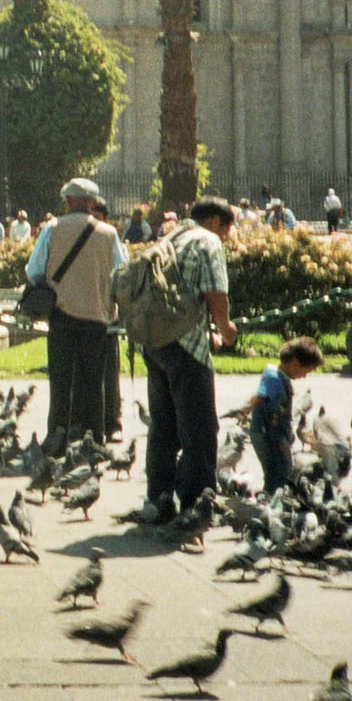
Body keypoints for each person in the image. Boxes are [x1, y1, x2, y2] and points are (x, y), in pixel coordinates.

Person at [140, 197, 239, 538]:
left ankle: (159, 497)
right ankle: (198, 503)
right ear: (214, 222)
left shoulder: (170, 237)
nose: (225, 238)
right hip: (186, 347)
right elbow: (215, 292)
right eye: (226, 230)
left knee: (163, 425)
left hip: (153, 342)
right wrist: (226, 330)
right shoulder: (207, 241)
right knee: (199, 427)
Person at [25, 179, 128, 452]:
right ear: (92, 203)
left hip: (62, 313)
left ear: (68, 201)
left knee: (61, 379)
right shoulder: (109, 234)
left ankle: (57, 435)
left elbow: (34, 270)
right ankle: (95, 438)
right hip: (97, 316)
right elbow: (122, 271)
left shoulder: (52, 229)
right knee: (95, 381)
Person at [241, 336, 323, 493]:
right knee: (277, 472)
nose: (305, 376)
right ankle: (272, 501)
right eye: (306, 371)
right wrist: (246, 410)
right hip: (269, 434)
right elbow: (260, 396)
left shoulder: (279, 377)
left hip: (275, 433)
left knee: (281, 470)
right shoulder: (273, 377)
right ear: (294, 363)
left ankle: (271, 497)